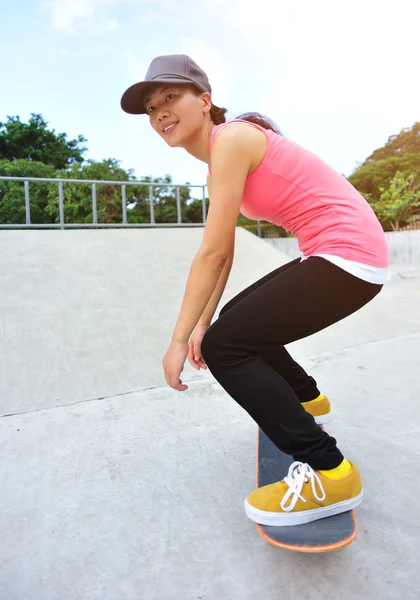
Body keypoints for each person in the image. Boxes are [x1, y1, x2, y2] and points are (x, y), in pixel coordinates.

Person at [120, 54, 389, 527]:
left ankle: (332, 475)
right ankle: (308, 403)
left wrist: (180, 340)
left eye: (170, 97)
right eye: (151, 108)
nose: (160, 112)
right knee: (230, 330)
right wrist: (203, 321)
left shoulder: (234, 138)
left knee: (228, 347)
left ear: (204, 102)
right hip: (336, 255)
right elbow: (223, 254)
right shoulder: (221, 162)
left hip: (347, 256)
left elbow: (213, 253)